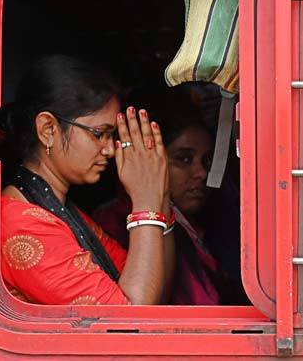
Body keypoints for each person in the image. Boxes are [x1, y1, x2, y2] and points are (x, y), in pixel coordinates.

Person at [0, 55, 175, 305]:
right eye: (99, 134)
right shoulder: (21, 223)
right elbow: (129, 322)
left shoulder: (58, 209)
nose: (110, 150)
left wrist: (159, 195)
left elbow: (153, 288)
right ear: (48, 129)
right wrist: (146, 203)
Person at [93, 87, 248, 305]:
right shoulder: (115, 222)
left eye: (206, 161)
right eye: (183, 159)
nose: (202, 173)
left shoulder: (205, 221)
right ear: (152, 159)